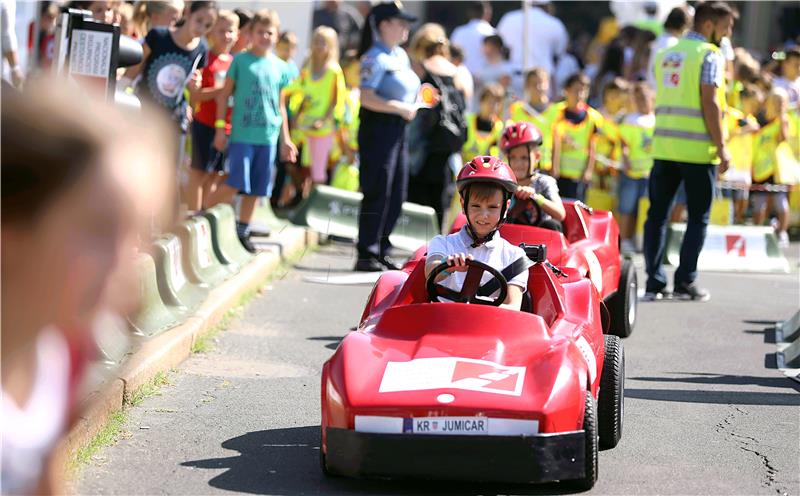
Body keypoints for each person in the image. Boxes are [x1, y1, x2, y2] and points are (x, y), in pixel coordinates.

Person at [1, 79, 173, 496]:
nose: (124, 262)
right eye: (99, 229)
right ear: (12, 225)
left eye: (136, 234)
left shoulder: (60, 349)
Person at [643, 1, 735, 302]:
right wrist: (721, 147)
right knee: (698, 217)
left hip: (664, 148)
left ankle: (654, 282)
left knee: (657, 216)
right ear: (708, 25)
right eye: (725, 27)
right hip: (697, 151)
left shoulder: (667, 53)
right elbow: (711, 102)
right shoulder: (710, 54)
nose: (727, 34)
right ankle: (685, 281)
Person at [209, 9, 298, 253]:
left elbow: (280, 106)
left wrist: (285, 140)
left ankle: (242, 230)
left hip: (267, 138)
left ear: (276, 35)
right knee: (236, 182)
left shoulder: (281, 67)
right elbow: (224, 95)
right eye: (260, 32)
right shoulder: (240, 60)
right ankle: (201, 215)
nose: (264, 37)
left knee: (258, 189)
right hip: (241, 135)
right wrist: (220, 129)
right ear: (251, 33)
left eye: (269, 33)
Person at [354, 1, 420, 272]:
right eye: (399, 22)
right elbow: (367, 96)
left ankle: (382, 247)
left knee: (397, 191)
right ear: (383, 25)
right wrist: (399, 107)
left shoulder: (400, 56)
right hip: (378, 127)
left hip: (398, 129)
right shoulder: (374, 58)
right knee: (378, 188)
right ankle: (366, 251)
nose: (405, 27)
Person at [424, 156, 529, 311]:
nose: (483, 215)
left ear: (505, 207)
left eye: (492, 207)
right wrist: (448, 266)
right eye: (476, 206)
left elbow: (513, 306)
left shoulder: (515, 257)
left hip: (490, 330)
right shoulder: (443, 243)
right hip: (442, 325)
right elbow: (430, 272)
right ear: (462, 204)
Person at [406, 23, 468, 228]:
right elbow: (464, 105)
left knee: (416, 200)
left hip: (421, 147)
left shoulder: (420, 68)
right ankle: (435, 246)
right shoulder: (458, 72)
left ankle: (415, 247)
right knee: (440, 202)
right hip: (448, 148)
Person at [123, 1, 215, 136]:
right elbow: (135, 68)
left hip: (171, 121)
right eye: (199, 20)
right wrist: (120, 88)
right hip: (144, 110)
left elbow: (193, 91)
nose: (201, 28)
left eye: (207, 25)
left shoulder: (202, 49)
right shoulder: (159, 35)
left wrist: (195, 86)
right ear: (188, 13)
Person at [186, 9, 238, 215]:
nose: (226, 35)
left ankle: (205, 214)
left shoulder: (235, 62)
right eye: (220, 30)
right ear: (210, 33)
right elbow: (197, 95)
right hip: (204, 123)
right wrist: (222, 90)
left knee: (216, 174)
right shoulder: (204, 57)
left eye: (230, 31)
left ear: (237, 35)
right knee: (198, 173)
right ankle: (192, 215)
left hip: (227, 127)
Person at [285, 26, 345, 187]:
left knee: (319, 171)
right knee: (303, 168)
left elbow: (336, 100)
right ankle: (301, 202)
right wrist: (295, 113)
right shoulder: (307, 68)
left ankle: (317, 204)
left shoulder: (333, 71)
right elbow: (298, 91)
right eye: (316, 42)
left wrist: (323, 120)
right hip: (304, 127)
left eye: (323, 42)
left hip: (322, 128)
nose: (319, 46)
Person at [502, 122, 566, 231]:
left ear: (537, 157)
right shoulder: (504, 184)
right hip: (511, 237)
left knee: (552, 224)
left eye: (524, 158)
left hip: (540, 240)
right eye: (513, 157)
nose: (518, 163)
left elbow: (560, 214)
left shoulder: (544, 182)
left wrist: (535, 196)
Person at [551, 72, 604, 201]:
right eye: (576, 90)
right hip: (558, 173)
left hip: (578, 175)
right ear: (567, 90)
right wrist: (554, 166)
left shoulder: (593, 117)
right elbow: (552, 141)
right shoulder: (555, 112)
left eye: (584, 90)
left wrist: (589, 170)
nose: (580, 95)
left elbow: (592, 145)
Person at [617, 82, 655, 253]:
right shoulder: (630, 120)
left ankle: (642, 239)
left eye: (645, 99)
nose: (642, 103)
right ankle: (625, 239)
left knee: (646, 209)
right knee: (627, 207)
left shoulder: (656, 120)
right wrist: (625, 160)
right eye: (638, 99)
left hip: (650, 173)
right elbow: (624, 143)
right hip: (631, 173)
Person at [751, 88, 791, 247]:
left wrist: (781, 117)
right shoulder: (760, 120)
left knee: (780, 202)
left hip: (777, 168)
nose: (778, 105)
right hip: (761, 167)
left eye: (781, 102)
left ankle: (782, 232)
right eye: (775, 102)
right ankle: (757, 232)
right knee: (759, 203)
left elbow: (783, 138)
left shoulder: (783, 120)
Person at [497, 0, 568, 80]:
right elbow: (559, 55)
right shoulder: (555, 23)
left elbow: (498, 48)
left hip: (512, 77)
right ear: (547, 5)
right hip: (541, 80)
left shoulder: (508, 18)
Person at [507, 68, 556, 171]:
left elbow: (557, 141)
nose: (539, 87)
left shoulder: (556, 111)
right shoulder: (517, 110)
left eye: (542, 83)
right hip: (521, 167)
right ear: (527, 86)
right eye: (534, 84)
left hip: (545, 166)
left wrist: (555, 166)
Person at [646, 6, 691, 91]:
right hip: (663, 92)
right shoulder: (672, 44)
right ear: (683, 25)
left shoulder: (660, 39)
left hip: (655, 90)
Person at [450, 1, 496, 77]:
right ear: (487, 13)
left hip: (461, 78)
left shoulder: (458, 32)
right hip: (485, 81)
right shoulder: (492, 33)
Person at [462, 83, 505, 164]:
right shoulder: (467, 120)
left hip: (483, 171)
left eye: (496, 103)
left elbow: (496, 157)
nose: (492, 106)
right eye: (489, 101)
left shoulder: (499, 128)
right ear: (481, 101)